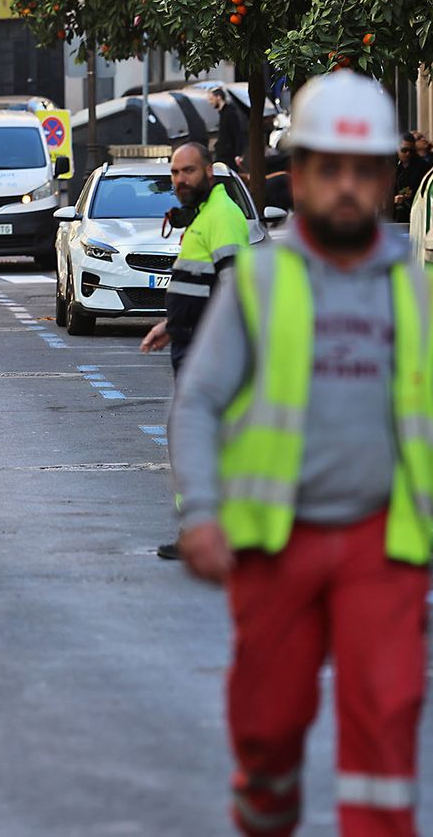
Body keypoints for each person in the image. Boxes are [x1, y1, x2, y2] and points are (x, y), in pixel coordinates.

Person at [169, 71, 433, 837]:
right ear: (302, 172)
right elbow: (199, 402)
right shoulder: (258, 280)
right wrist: (202, 512)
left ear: (389, 177)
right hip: (274, 546)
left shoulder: (418, 290)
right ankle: (266, 794)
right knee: (268, 718)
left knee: (387, 717)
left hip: (381, 547)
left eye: (365, 169)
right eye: (330, 167)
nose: (347, 186)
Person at [140, 142, 250, 560]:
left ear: (209, 170)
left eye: (187, 171)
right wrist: (172, 324)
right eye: (174, 173)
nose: (179, 180)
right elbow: (200, 286)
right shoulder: (206, 214)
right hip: (192, 339)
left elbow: (234, 289)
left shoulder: (222, 216)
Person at [391, 132, 428, 223]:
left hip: (413, 213)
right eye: (404, 150)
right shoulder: (389, 165)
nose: (408, 154)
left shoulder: (422, 166)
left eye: (411, 151)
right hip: (392, 215)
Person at [209, 88, 248, 169]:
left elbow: (237, 134)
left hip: (228, 156)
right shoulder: (223, 113)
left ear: (218, 97)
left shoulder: (230, 114)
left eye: (212, 99)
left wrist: (238, 154)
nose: (210, 102)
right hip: (224, 154)